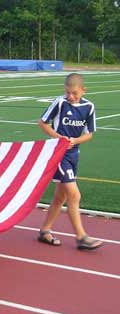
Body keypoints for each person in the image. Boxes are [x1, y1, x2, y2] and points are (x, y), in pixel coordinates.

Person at [37, 73, 103, 251]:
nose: (71, 96)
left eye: (74, 93)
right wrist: (60, 139)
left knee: (61, 196)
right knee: (74, 195)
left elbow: (89, 134)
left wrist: (74, 141)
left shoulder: (89, 107)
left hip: (74, 153)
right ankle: (81, 237)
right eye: (68, 93)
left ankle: (45, 230)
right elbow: (42, 123)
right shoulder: (60, 102)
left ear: (83, 90)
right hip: (58, 154)